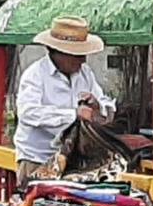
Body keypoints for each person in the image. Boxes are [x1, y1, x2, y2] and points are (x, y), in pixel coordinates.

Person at [14, 15, 115, 185]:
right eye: (77, 55)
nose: (83, 60)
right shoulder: (35, 75)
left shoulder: (85, 73)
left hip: (75, 163)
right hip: (38, 158)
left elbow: (106, 104)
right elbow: (28, 113)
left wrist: (98, 106)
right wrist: (74, 114)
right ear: (59, 52)